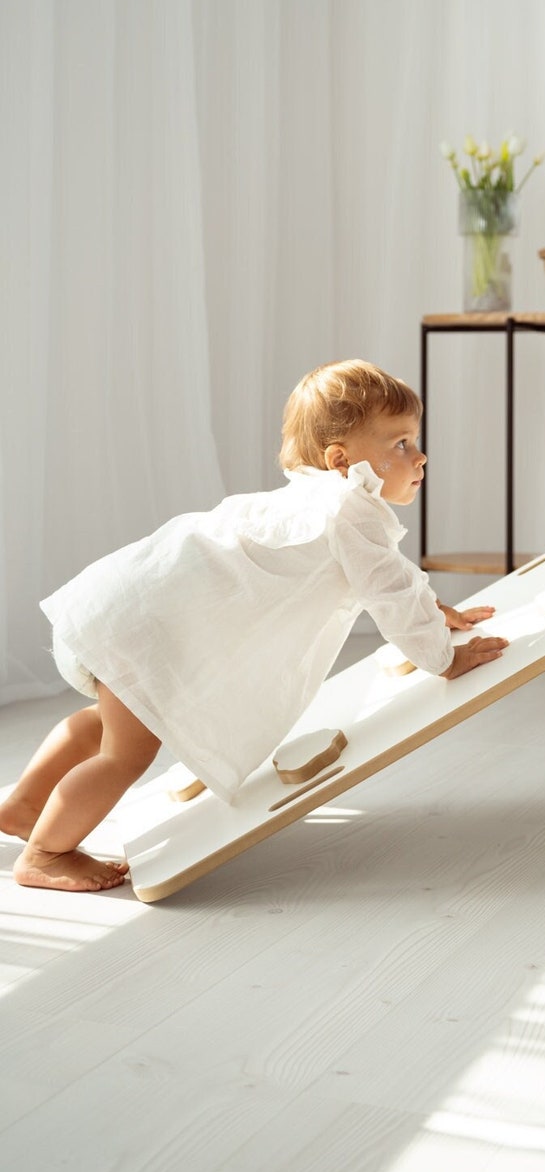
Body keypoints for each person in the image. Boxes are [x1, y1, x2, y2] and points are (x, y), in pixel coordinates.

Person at [0, 359, 508, 893]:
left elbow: (390, 576)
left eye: (415, 441)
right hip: (147, 629)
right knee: (125, 754)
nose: (419, 456)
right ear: (341, 460)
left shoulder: (315, 498)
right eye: (400, 443)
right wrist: (441, 657)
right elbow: (388, 588)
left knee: (100, 725)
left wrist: (434, 609)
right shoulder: (349, 509)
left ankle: (23, 807)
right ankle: (46, 854)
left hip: (126, 607)